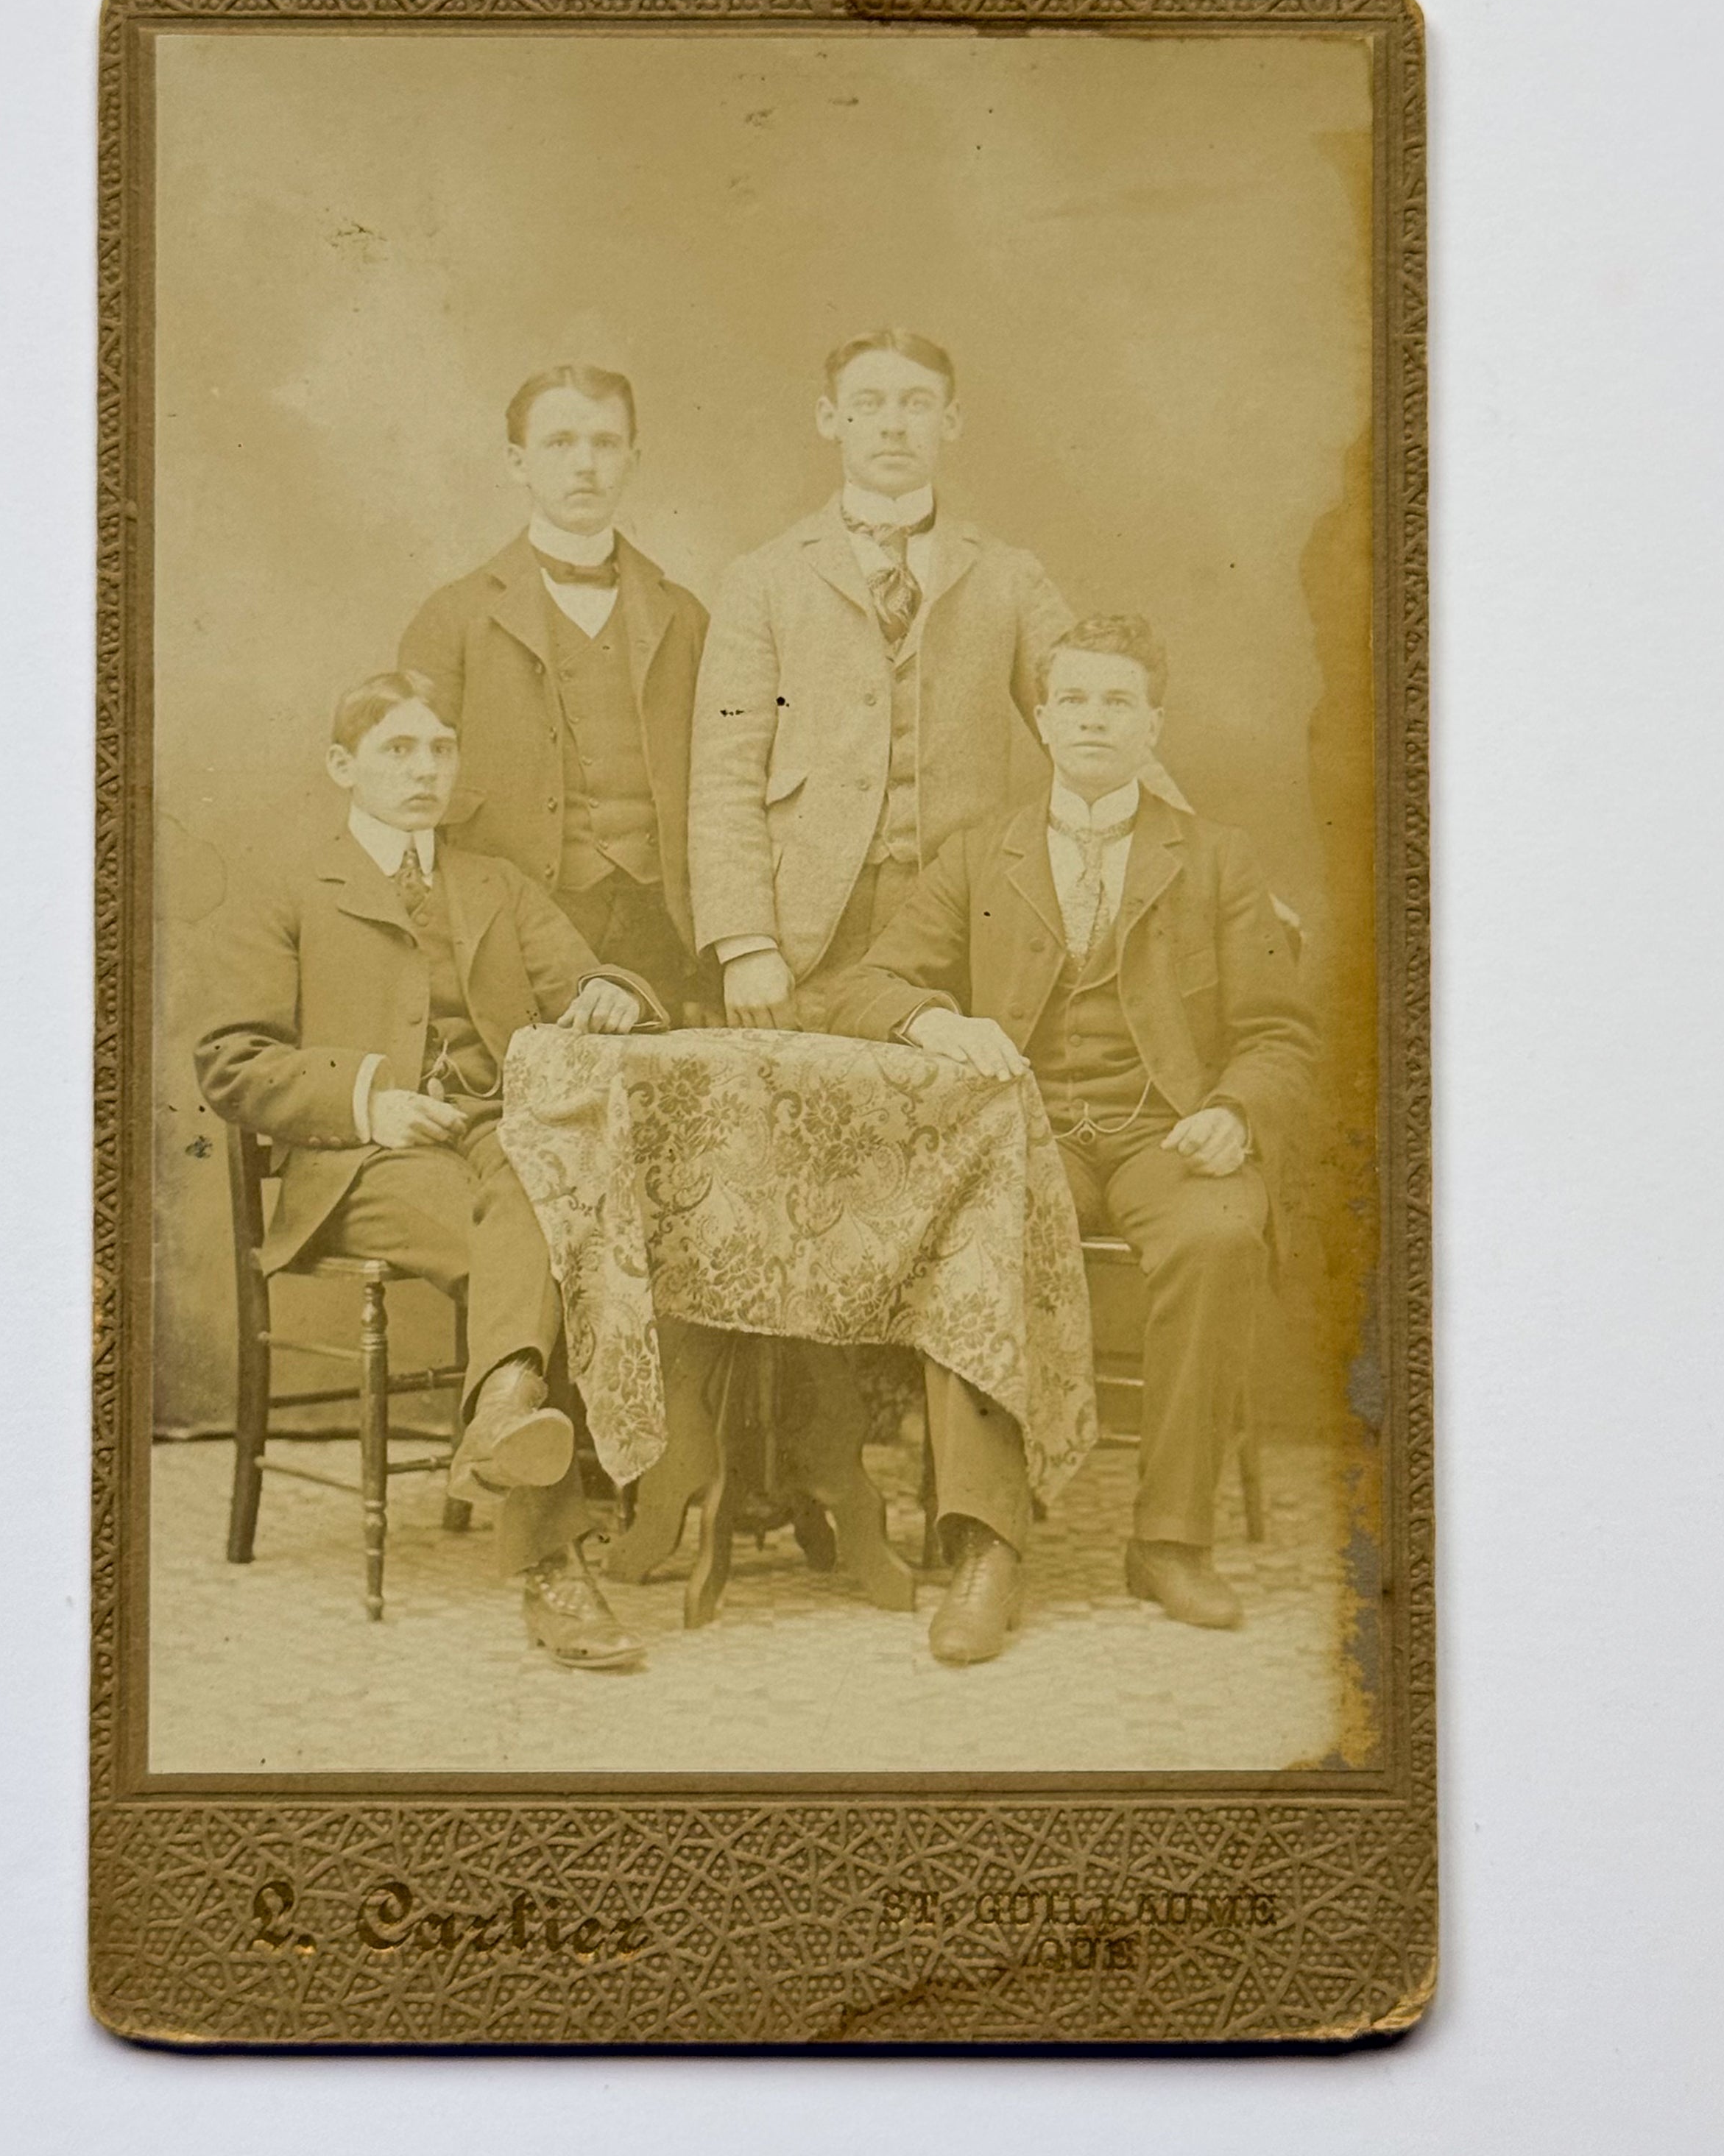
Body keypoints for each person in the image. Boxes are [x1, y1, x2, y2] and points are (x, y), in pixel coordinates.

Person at [828, 615, 1316, 1662]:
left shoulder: (1216, 859)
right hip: (1028, 1135)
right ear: (1043, 721)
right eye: (1077, 701)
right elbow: (865, 984)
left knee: (1220, 1236)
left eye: (1119, 703)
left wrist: (1235, 1109)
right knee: (975, 1239)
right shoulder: (979, 854)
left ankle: (1170, 1540)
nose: (1096, 719)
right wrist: (936, 1019)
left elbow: (1280, 1032)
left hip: (1165, 1135)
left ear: (1153, 728)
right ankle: (988, 1546)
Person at [194, 669, 665, 1670]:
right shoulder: (288, 886)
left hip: (502, 1139)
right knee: (545, 1229)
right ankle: (552, 1572)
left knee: (539, 1200)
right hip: (366, 1164)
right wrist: (369, 1093)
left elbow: (581, 976)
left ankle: (504, 1410)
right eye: (399, 751)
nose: (425, 770)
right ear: (342, 766)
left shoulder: (493, 882)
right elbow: (232, 1062)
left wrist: (613, 993)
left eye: (440, 749)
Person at [688, 328, 1190, 1030]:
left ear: (950, 422)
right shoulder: (762, 580)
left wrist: (1206, 867)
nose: (894, 424)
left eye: (917, 403)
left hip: (963, 931)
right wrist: (746, 943)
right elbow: (724, 775)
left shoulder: (1009, 577)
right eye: (870, 403)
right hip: (800, 939)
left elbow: (1102, 729)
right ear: (830, 418)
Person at [398, 364, 711, 1022]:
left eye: (605, 443)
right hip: (519, 933)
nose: (585, 466)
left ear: (633, 457)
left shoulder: (684, 617)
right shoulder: (453, 618)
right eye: (560, 444)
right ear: (518, 461)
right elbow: (409, 800)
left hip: (664, 930)